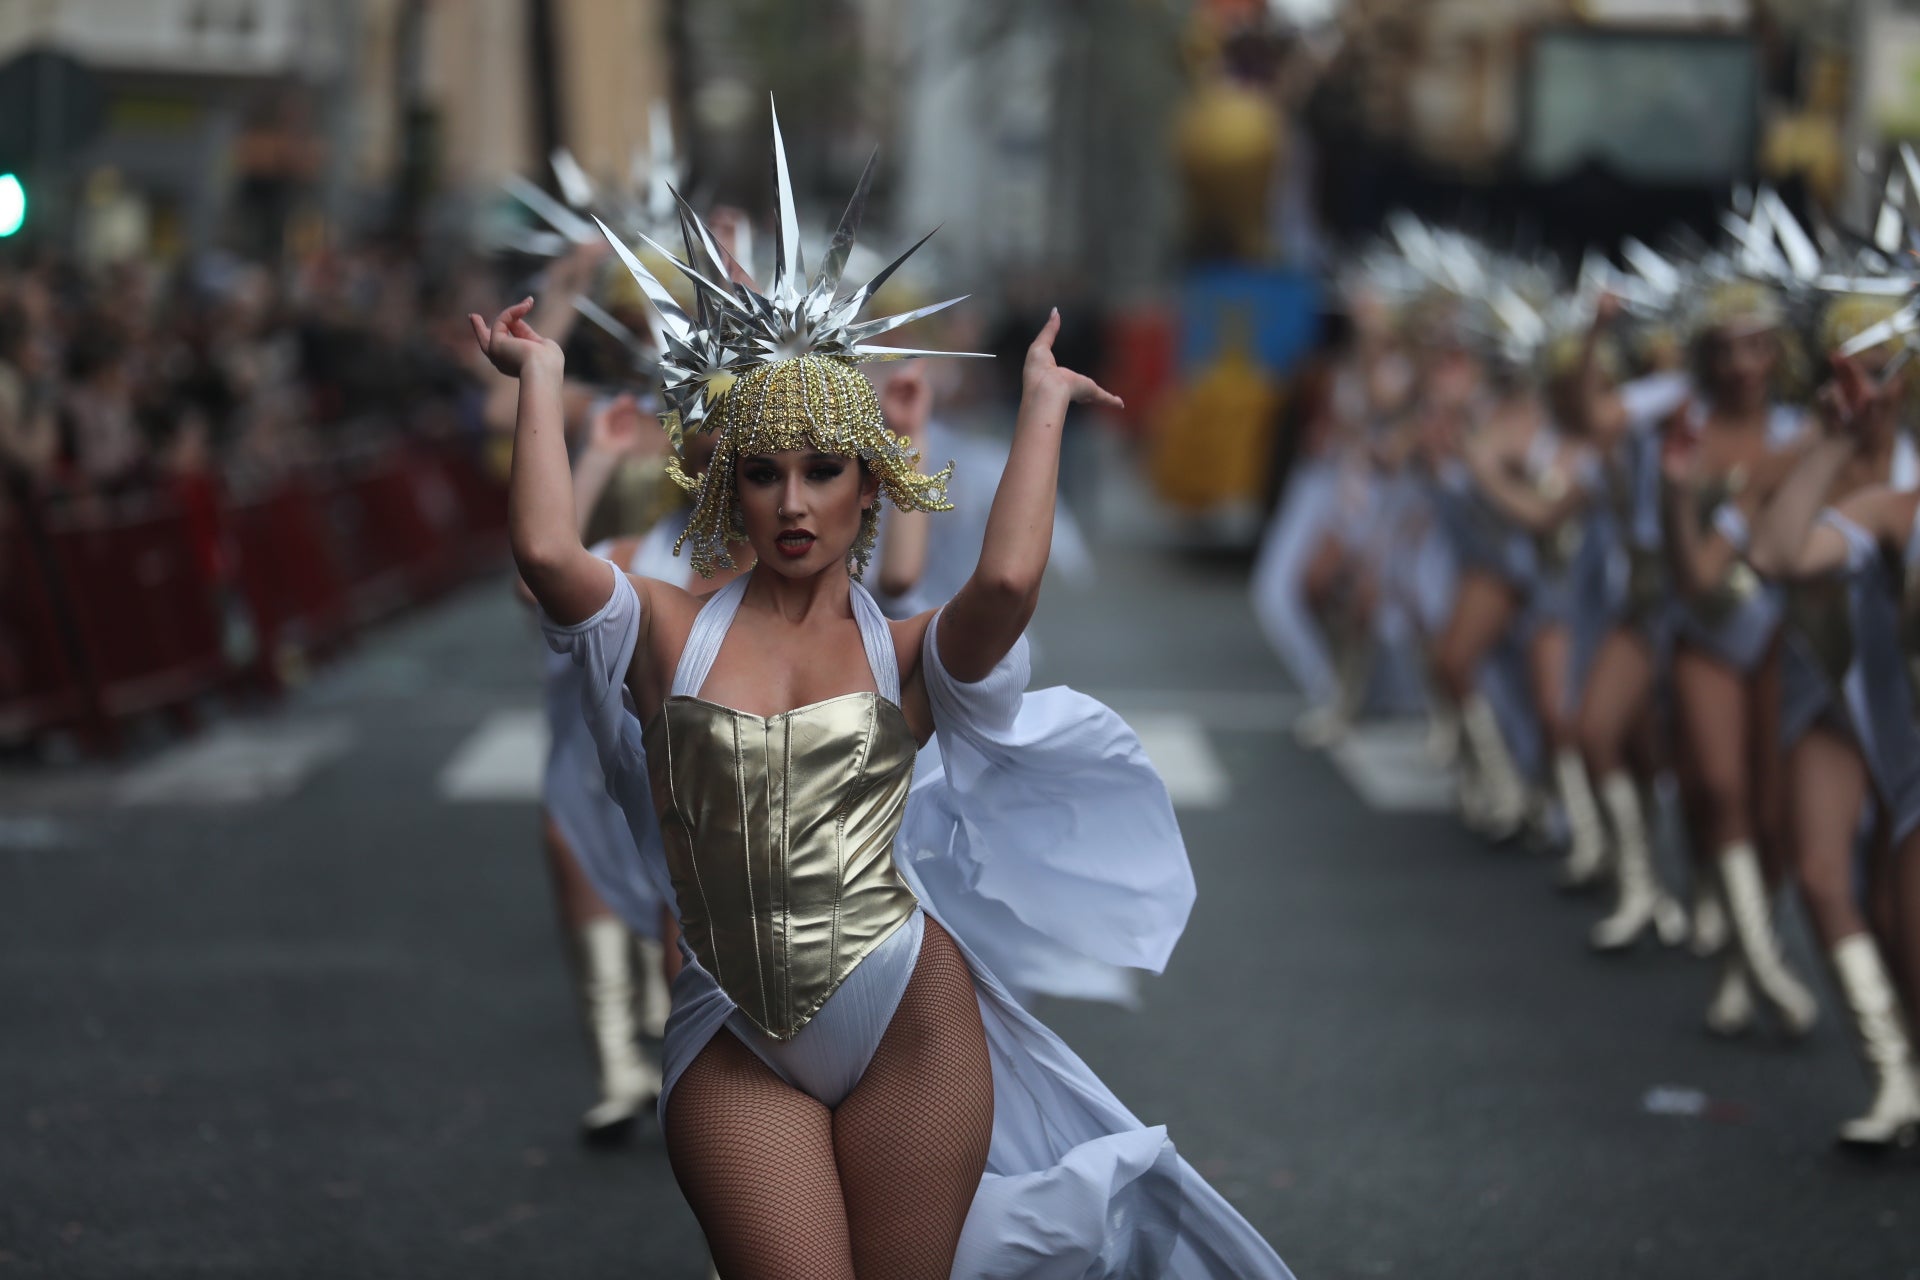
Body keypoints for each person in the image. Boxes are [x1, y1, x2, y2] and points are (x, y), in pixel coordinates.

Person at [473, 108, 1293, 1279]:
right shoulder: (659, 627)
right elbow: (549, 556)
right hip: (730, 1033)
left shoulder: (905, 652)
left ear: (872, 483)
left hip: (912, 1022)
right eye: (764, 473)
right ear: (730, 488)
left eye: (824, 470)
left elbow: (1003, 583)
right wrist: (541, 377)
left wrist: (1042, 407)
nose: (794, 501)